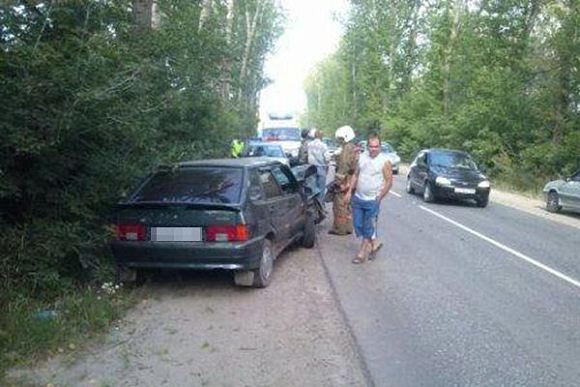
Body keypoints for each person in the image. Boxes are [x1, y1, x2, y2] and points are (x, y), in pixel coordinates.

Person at [345, 133, 392, 264]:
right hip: (358, 198)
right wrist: (349, 191)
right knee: (357, 225)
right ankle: (375, 244)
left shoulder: (384, 161)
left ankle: (361, 254)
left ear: (380, 147)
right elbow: (355, 175)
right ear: (367, 146)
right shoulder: (362, 157)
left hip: (372, 200)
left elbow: (389, 181)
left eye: (376, 146)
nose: (373, 149)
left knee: (367, 227)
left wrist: (380, 197)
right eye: (371, 146)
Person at [329, 125, 359, 236]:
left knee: (339, 205)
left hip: (345, 182)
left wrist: (337, 183)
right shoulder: (354, 148)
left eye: (341, 138)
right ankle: (348, 228)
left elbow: (343, 167)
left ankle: (340, 229)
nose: (340, 141)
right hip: (352, 182)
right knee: (348, 206)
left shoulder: (346, 149)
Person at [307, 129, 329, 202]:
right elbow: (327, 158)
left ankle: (312, 205)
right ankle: (320, 205)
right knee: (321, 189)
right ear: (321, 137)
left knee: (312, 188)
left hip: (311, 168)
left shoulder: (309, 145)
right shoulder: (323, 145)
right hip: (321, 168)